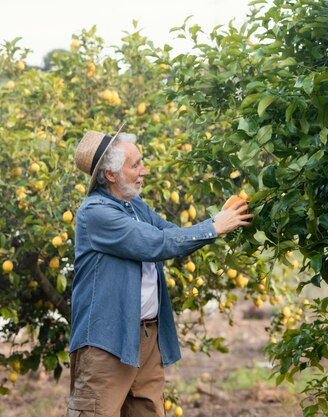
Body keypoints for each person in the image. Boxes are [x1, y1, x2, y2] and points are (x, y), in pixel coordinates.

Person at [65, 125, 253, 417]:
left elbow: (171, 234)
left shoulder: (135, 206)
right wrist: (215, 227)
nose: (144, 170)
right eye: (135, 164)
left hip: (146, 336)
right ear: (111, 175)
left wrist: (219, 218)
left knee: (148, 411)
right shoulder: (96, 213)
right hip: (108, 340)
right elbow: (156, 243)